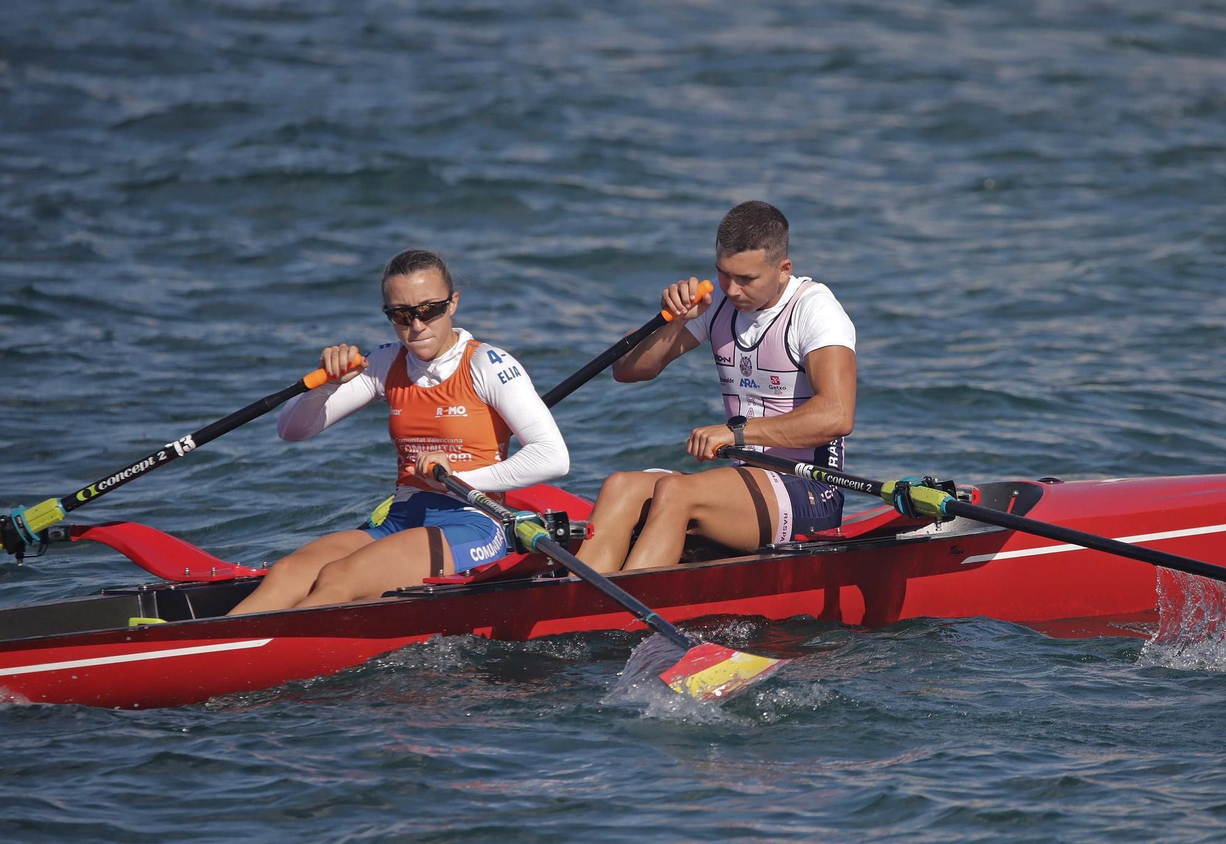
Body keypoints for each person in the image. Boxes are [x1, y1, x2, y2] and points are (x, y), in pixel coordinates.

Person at [229, 250, 569, 614]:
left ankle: (258, 658)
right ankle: (216, 650)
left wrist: (461, 476)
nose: (417, 325)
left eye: (429, 310)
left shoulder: (487, 364)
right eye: (402, 314)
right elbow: (293, 431)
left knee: (341, 578)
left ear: (453, 303)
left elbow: (552, 457)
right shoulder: (386, 362)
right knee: (288, 572)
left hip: (473, 521)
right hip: (402, 517)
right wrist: (326, 385)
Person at [575, 201, 856, 572]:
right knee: (620, 486)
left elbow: (837, 415)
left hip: (811, 489)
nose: (733, 290)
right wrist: (673, 322)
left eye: (747, 279)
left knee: (675, 492)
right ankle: (573, 605)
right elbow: (627, 370)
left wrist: (736, 433)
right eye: (724, 274)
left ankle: (627, 621)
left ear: (783, 269)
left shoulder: (815, 310)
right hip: (745, 479)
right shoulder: (718, 302)